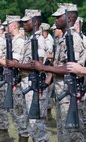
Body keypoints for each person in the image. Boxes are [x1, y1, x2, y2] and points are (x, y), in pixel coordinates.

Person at [31, 3, 85, 142]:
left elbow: (70, 68)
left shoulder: (72, 38)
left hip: (70, 92)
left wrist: (43, 68)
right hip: (63, 92)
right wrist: (46, 82)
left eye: (58, 17)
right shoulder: (64, 38)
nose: (55, 19)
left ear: (69, 18)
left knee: (73, 134)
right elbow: (59, 65)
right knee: (63, 132)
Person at [6, 9, 49, 141]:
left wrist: (16, 65)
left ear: (35, 21)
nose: (24, 24)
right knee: (30, 122)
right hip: (27, 82)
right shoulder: (30, 40)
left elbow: (38, 65)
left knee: (36, 123)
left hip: (34, 83)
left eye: (27, 21)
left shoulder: (39, 40)